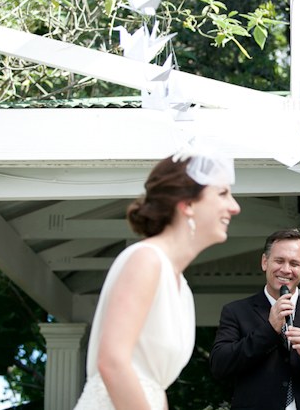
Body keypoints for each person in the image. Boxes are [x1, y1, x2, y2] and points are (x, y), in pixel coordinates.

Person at [74, 148, 241, 410]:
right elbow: (113, 361)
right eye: (222, 193)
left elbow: (153, 385)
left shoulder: (181, 287)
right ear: (187, 205)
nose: (235, 207)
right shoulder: (146, 260)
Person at [209, 229, 300, 410]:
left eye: (294, 263)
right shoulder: (236, 311)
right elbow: (219, 365)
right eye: (279, 261)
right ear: (265, 262)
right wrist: (269, 330)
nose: (286, 270)